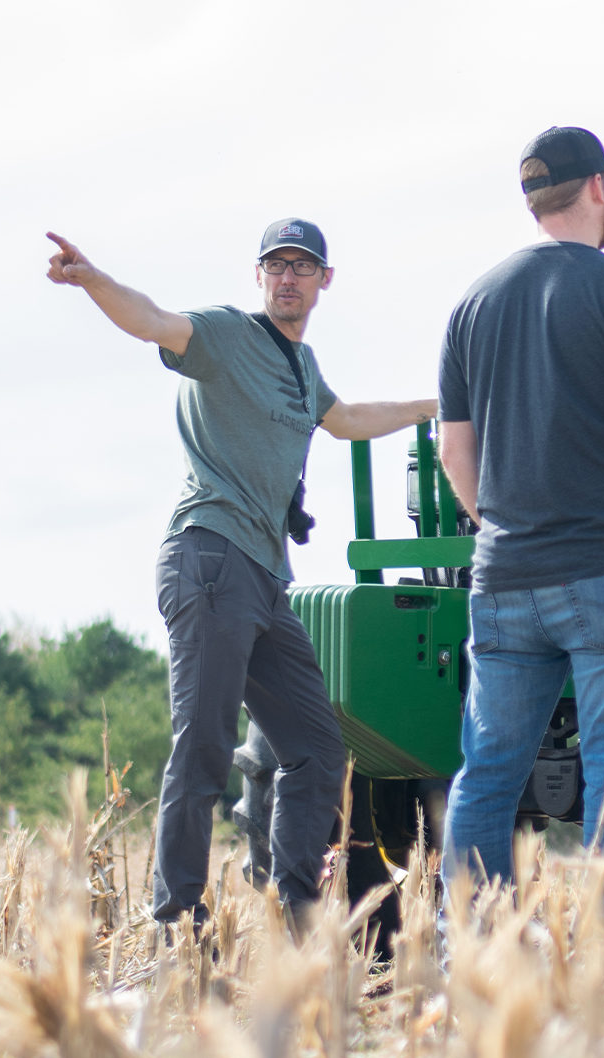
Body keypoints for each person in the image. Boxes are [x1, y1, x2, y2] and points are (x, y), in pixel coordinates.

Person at [46, 220, 438, 930]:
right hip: (210, 559)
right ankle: (178, 925)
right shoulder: (226, 336)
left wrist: (430, 407)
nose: (288, 278)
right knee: (201, 748)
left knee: (318, 751)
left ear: (324, 280)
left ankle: (298, 916)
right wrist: (93, 279)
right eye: (276, 266)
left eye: (303, 267)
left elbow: (344, 418)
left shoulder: (302, 365)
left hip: (263, 577)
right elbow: (153, 322)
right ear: (258, 276)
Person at [436, 128, 604, 972]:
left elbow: (454, 450)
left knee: (488, 771)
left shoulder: (471, 304)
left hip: (505, 574)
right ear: (597, 188)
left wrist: (497, 523)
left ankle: (464, 954)